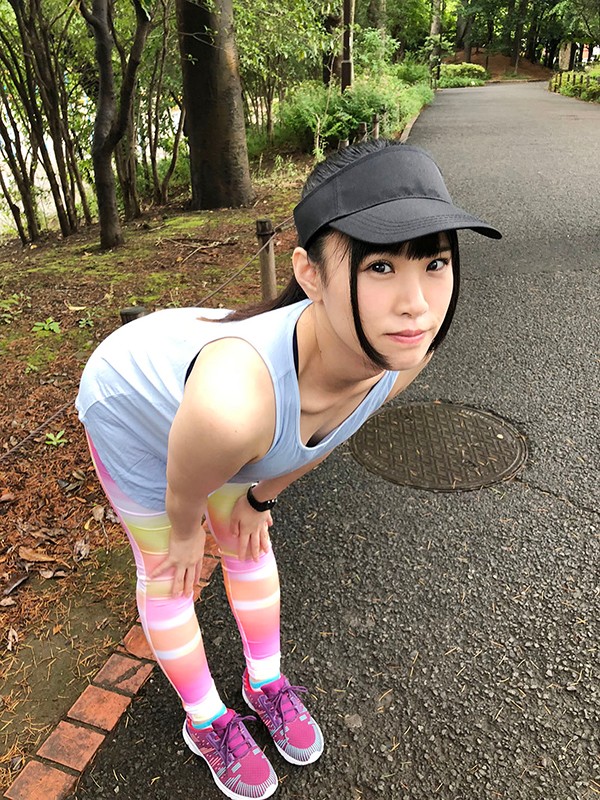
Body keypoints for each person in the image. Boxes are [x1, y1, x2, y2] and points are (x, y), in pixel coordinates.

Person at [76, 139, 501, 799]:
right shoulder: (233, 406)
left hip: (206, 406)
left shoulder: (407, 353)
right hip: (132, 402)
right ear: (310, 274)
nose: (417, 303)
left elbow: (330, 431)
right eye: (380, 266)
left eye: (435, 261)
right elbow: (188, 476)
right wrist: (185, 531)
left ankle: (264, 681)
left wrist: (261, 497)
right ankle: (205, 719)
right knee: (167, 570)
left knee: (247, 537)